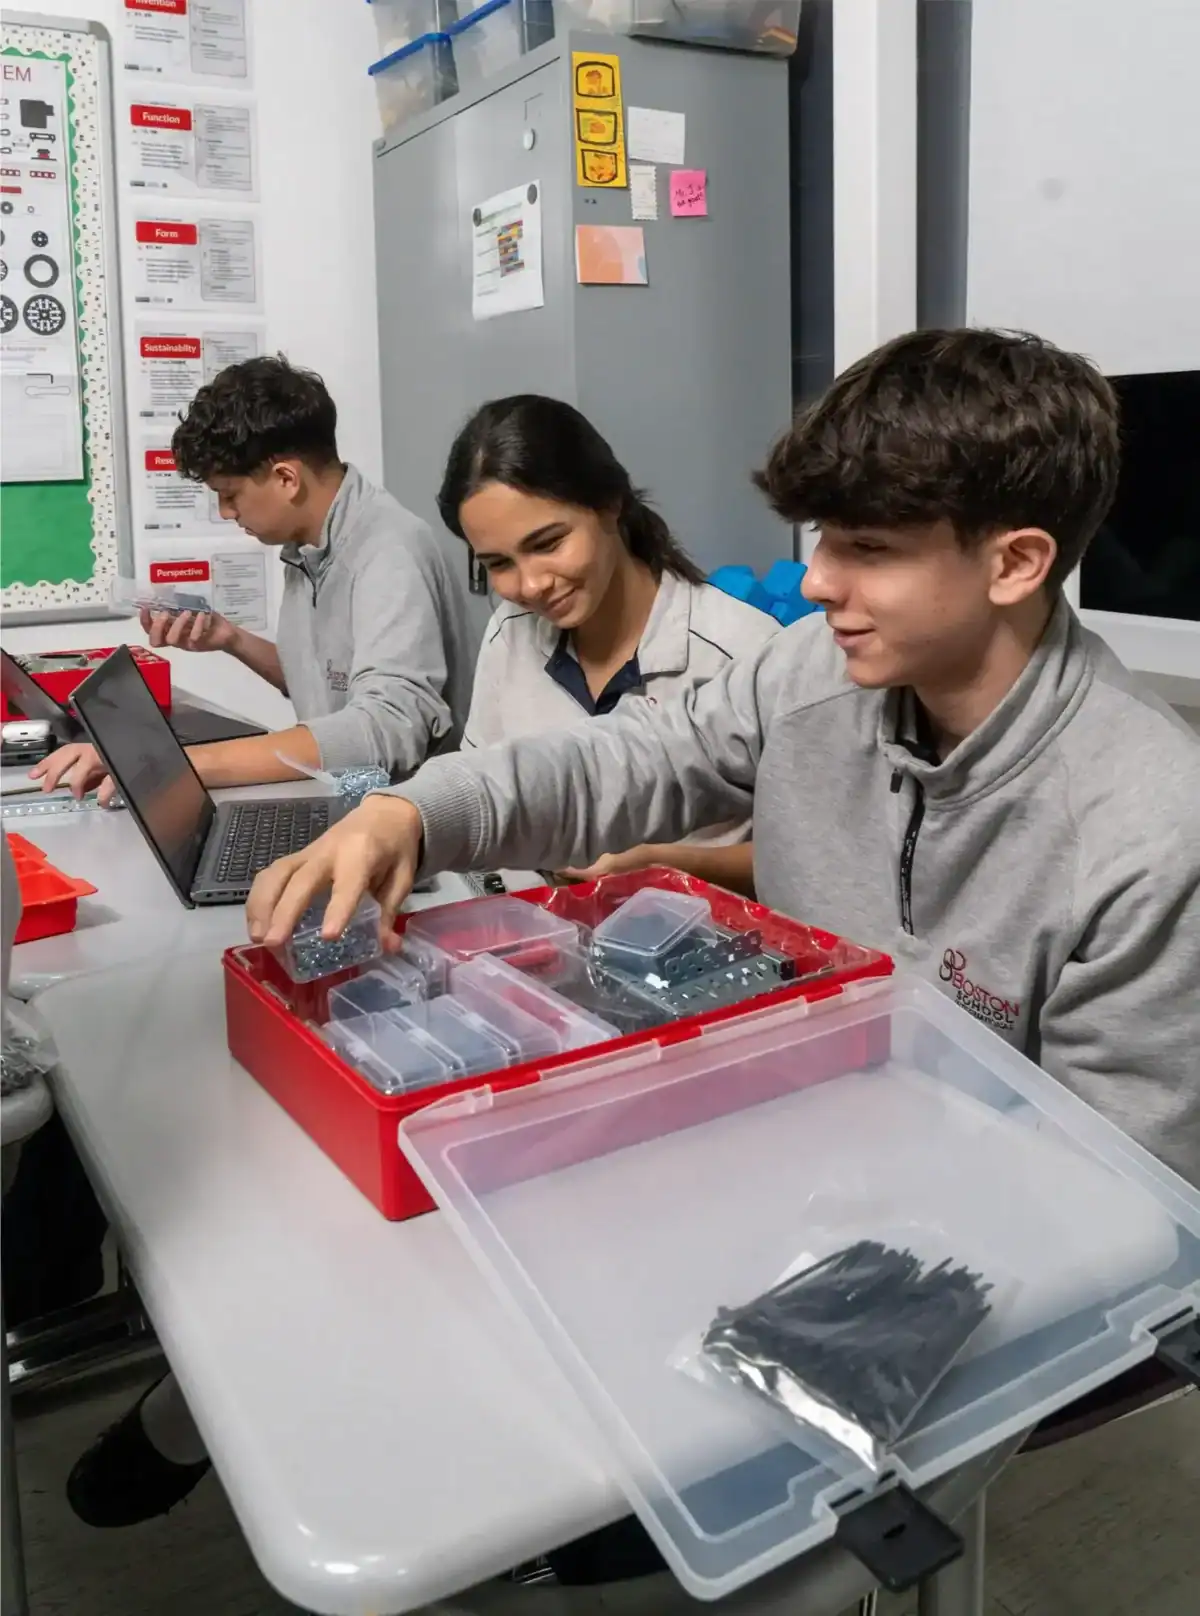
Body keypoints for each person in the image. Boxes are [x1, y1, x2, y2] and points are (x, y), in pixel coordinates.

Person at [249, 328, 1200, 1193]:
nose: (818, 581)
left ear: (1015, 564)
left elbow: (1115, 1196)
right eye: (823, 540)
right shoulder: (811, 670)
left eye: (867, 548)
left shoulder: (1149, 832)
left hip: (949, 1219)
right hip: (783, 1135)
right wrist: (412, 813)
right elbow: (633, 758)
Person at [32, 355, 474, 801]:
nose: (227, 512)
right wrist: (231, 639)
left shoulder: (389, 550)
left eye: (230, 494)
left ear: (286, 478)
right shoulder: (308, 546)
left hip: (410, 817)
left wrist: (173, 765)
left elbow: (387, 728)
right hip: (349, 797)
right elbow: (331, 685)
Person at [440, 394, 778, 892]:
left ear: (610, 503)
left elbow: (804, 859)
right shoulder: (510, 633)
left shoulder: (746, 654)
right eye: (499, 564)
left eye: (548, 544)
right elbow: (480, 793)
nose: (531, 585)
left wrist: (665, 864)